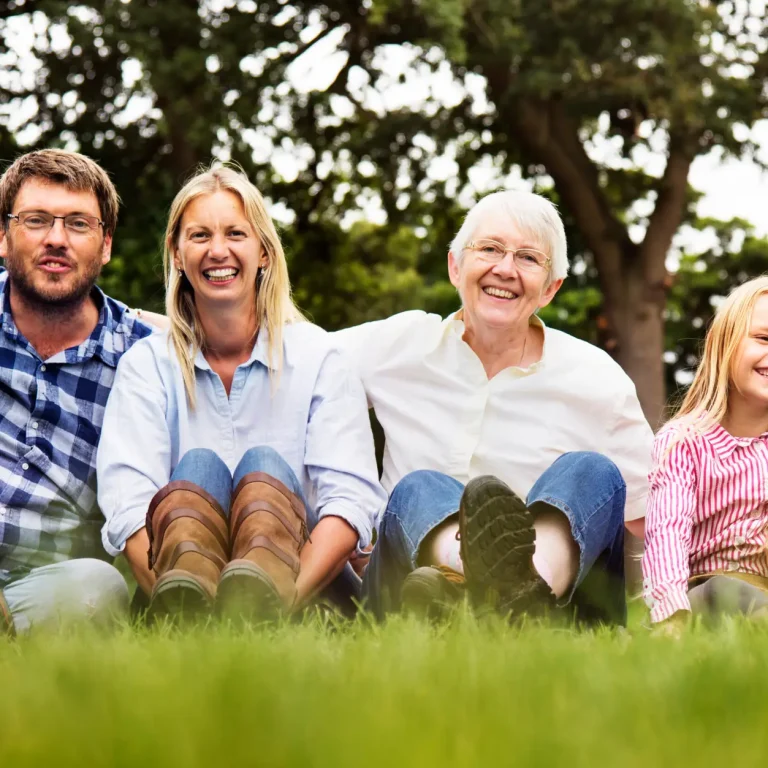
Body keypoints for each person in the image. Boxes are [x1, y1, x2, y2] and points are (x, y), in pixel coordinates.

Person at [334, 190, 654, 624]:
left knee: (593, 472)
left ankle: (521, 591)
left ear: (550, 288)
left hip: (561, 611)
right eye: (489, 249)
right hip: (408, 590)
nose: (504, 269)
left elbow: (657, 518)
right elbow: (294, 362)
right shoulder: (395, 344)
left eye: (527, 258)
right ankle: (508, 593)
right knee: (418, 487)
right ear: (455, 266)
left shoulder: (597, 378)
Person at [96, 165, 386, 620]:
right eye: (198, 236)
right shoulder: (146, 365)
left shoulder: (319, 356)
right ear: (175, 252)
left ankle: (256, 600)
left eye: (235, 233)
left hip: (303, 589)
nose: (218, 251)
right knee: (199, 469)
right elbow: (128, 505)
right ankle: (194, 603)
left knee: (262, 466)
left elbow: (350, 502)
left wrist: (281, 604)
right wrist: (183, 603)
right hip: (181, 592)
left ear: (264, 252)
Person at [0, 149, 154, 635]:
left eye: (78, 224)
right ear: (3, 236)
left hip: (43, 588)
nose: (56, 239)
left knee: (99, 586)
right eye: (36, 220)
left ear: (105, 245)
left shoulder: (143, 359)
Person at [643, 277, 768, 633]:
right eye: (763, 338)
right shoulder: (684, 442)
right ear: (725, 345)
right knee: (725, 590)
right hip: (703, 592)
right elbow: (667, 533)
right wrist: (671, 618)